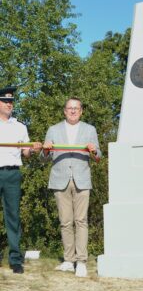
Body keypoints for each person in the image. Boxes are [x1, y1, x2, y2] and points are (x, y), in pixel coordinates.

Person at [42, 97, 101, 277]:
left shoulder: (90, 130)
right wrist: (46, 150)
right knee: (65, 221)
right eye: (70, 108)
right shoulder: (53, 129)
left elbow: (98, 157)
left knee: (81, 220)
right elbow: (44, 158)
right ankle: (69, 260)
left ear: (81, 111)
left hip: (82, 179)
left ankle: (81, 261)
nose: (73, 111)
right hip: (60, 179)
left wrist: (93, 151)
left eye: (76, 108)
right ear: (64, 111)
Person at [0, 86, 42, 274]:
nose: (9, 104)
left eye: (11, 101)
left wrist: (33, 149)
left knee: (13, 217)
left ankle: (15, 259)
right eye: (5, 101)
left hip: (12, 174)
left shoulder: (20, 126)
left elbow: (26, 153)